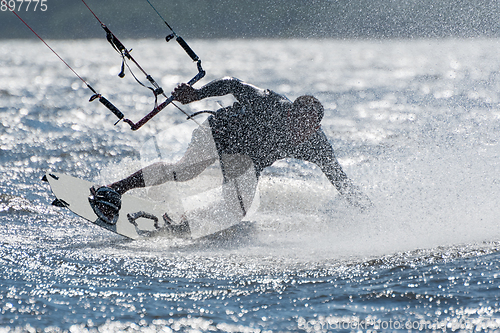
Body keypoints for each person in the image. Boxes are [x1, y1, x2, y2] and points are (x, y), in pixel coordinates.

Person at [89, 77, 372, 236]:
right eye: (296, 122)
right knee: (185, 171)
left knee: (236, 211)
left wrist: (366, 209)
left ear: (315, 128)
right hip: (218, 133)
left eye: (306, 127)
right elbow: (232, 83)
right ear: (289, 113)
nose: (299, 130)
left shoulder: (315, 144)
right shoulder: (271, 104)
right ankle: (112, 190)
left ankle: (178, 225)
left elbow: (338, 177)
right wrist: (195, 94)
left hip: (245, 160)